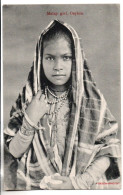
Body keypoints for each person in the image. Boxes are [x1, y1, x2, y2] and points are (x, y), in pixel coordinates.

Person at [4, 19, 121, 190]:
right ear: (39, 60)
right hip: (34, 187)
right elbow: (12, 152)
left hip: (80, 187)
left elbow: (110, 149)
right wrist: (30, 119)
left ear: (77, 60)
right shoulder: (28, 98)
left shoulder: (91, 101)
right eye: (50, 58)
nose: (58, 66)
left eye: (66, 58)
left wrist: (77, 183)